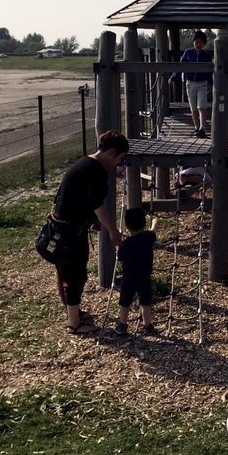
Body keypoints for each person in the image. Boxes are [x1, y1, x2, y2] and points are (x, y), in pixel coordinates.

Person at [51, 130, 129, 335]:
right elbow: (96, 203)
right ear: (112, 152)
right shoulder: (96, 170)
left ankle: (73, 313)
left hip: (63, 226)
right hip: (70, 231)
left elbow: (80, 197)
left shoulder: (85, 162)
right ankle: (74, 323)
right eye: (120, 158)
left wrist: (92, 220)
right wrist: (113, 231)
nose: (118, 163)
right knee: (75, 274)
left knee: (67, 272)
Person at [114, 207, 159, 336]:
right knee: (145, 302)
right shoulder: (148, 237)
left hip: (129, 278)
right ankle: (147, 325)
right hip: (144, 278)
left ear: (127, 226)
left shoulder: (126, 244)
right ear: (144, 225)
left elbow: (121, 258)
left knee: (125, 301)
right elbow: (154, 227)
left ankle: (122, 324)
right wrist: (154, 219)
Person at [170, 30, 212, 138]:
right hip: (190, 83)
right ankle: (197, 126)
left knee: (201, 107)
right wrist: (173, 77)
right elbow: (181, 66)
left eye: (201, 43)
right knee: (193, 108)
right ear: (193, 42)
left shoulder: (206, 55)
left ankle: (203, 127)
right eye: (197, 42)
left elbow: (209, 71)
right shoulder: (188, 53)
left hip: (202, 83)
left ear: (204, 44)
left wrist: (210, 83)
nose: (199, 45)